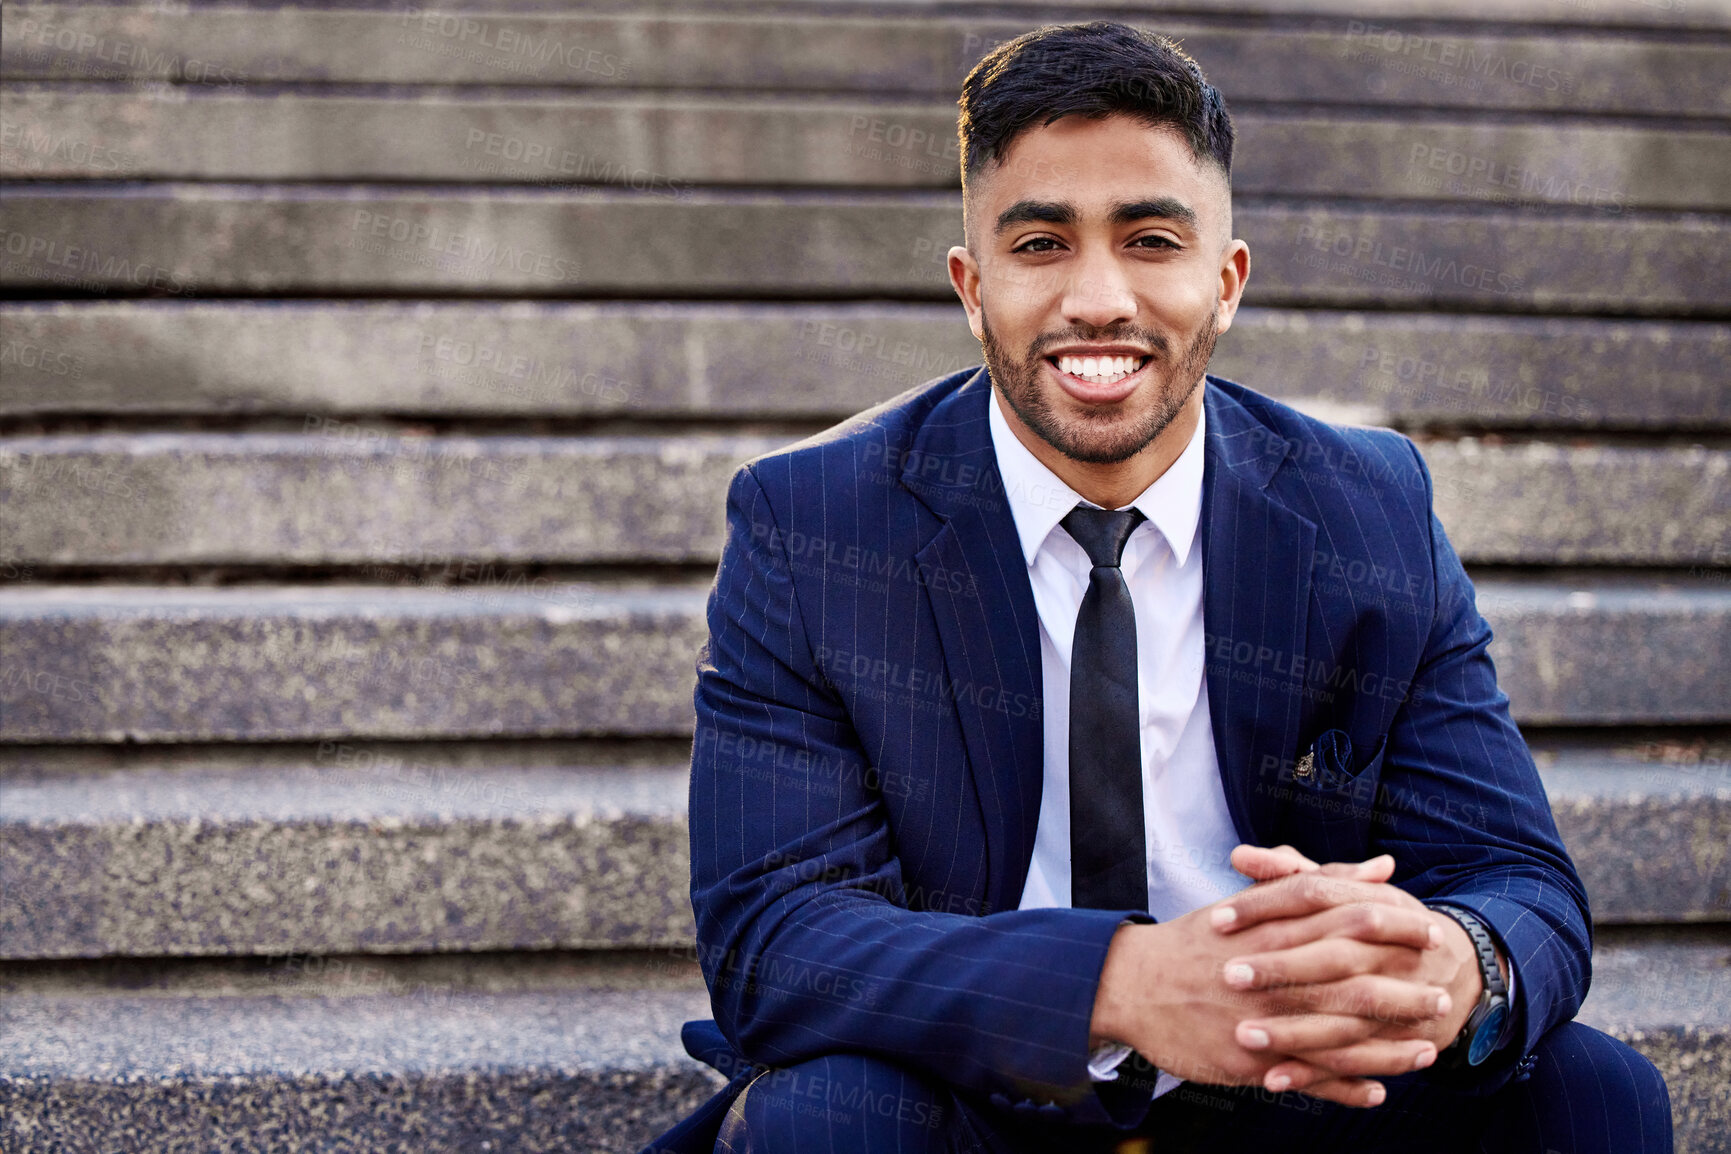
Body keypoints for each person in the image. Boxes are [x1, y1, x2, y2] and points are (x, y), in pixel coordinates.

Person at [644, 22, 1671, 1154]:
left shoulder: (1367, 507)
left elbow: (1520, 880)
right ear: (971, 285)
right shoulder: (815, 523)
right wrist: (1116, 983)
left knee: (1590, 1089)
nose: (1098, 297)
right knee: (827, 1118)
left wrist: (1455, 960)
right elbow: (773, 935)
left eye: (1149, 238)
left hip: (1295, 1092)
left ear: (1224, 281)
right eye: (1041, 243)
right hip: (974, 1095)